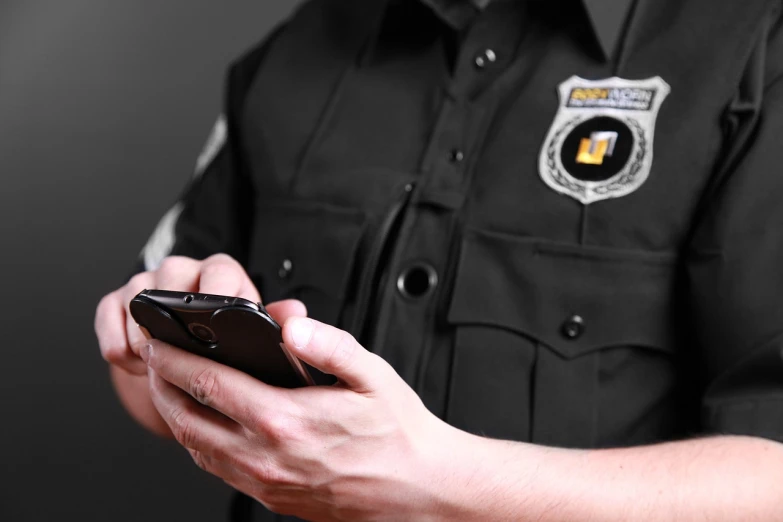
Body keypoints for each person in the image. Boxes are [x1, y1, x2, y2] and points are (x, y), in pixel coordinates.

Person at [95, 0, 783, 520]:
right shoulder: (295, 50)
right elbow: (138, 362)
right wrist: (164, 353)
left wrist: (437, 478)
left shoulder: (757, 44)